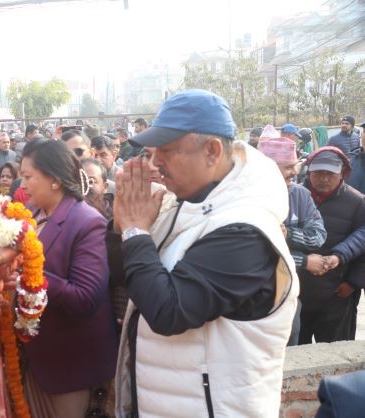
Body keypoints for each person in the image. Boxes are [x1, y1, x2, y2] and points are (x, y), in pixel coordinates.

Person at [110, 89, 298, 417]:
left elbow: (169, 312)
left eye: (167, 151)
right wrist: (121, 225)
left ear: (212, 151)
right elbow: (123, 274)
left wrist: (136, 231)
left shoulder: (245, 229)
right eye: (153, 153)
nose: (156, 164)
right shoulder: (186, 203)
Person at [19, 138, 117, 418]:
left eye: (28, 177)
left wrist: (29, 274)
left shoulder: (86, 222)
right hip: (40, 358)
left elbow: (86, 297)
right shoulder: (35, 216)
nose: (22, 185)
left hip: (71, 365)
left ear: (55, 180)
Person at [258, 137, 327, 346]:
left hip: (288, 294)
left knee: (291, 345)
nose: (295, 172)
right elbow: (257, 255)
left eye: (295, 165)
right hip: (252, 296)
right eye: (288, 167)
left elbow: (318, 236)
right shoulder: (248, 198)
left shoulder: (300, 195)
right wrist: (304, 261)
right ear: (268, 169)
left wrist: (288, 234)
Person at [298, 147, 365, 344]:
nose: (324, 179)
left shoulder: (357, 202)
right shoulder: (294, 196)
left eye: (330, 174)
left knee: (334, 350)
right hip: (298, 292)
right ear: (309, 172)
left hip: (337, 293)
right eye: (319, 173)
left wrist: (353, 283)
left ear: (343, 173)